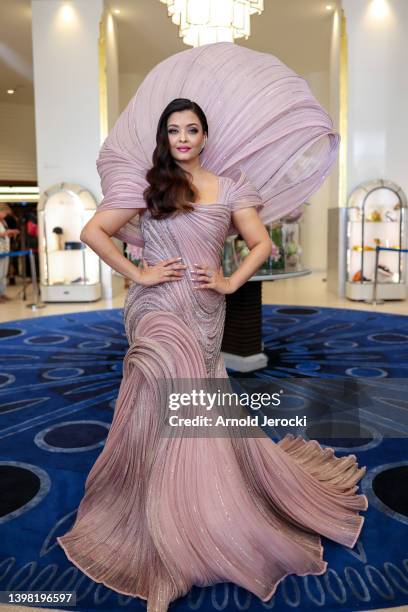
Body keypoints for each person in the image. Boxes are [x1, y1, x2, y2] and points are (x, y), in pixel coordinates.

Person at [57, 98, 367, 612]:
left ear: (205, 136)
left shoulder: (232, 186)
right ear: (165, 136)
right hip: (154, 309)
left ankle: (190, 512)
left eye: (192, 129)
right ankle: (154, 517)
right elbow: (94, 232)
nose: (182, 138)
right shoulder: (147, 184)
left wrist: (228, 281)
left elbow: (261, 244)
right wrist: (138, 274)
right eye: (173, 130)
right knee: (158, 391)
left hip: (203, 310)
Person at [0, 203, 19, 302]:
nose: (5, 216)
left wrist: (11, 233)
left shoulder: (4, 222)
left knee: (3, 274)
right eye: (4, 213)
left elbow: (4, 234)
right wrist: (6, 233)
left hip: (5, 250)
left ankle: (2, 293)